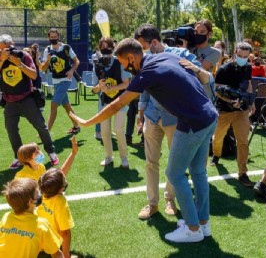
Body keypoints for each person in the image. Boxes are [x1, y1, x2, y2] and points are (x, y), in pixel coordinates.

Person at [69, 38, 218, 243]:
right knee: (198, 172)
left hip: (192, 122)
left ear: (131, 57)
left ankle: (193, 229)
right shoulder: (165, 56)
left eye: (122, 63)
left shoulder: (146, 73)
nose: (123, 67)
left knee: (174, 174)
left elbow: (117, 104)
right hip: (209, 114)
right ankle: (203, 224)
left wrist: (87, 122)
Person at [134, 23, 210, 220]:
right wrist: (140, 115)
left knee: (175, 164)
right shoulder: (143, 60)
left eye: (142, 46)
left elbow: (205, 77)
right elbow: (144, 88)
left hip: (175, 118)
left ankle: (170, 199)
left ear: (154, 42)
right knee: (151, 162)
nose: (139, 52)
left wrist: (195, 68)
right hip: (152, 116)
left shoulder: (179, 54)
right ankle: (152, 203)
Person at [0, 34, 59, 169]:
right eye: (1, 49)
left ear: (13, 44)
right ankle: (18, 157)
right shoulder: (0, 57)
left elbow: (34, 75)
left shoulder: (24, 56)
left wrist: (19, 64)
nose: (5, 51)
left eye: (7, 48)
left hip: (27, 98)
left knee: (41, 126)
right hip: (10, 101)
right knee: (11, 130)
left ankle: (52, 153)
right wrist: (2, 60)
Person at [211, 42, 256, 188]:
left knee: (242, 141)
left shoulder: (248, 67)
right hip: (224, 109)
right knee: (218, 137)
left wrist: (251, 102)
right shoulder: (223, 69)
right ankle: (216, 155)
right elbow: (217, 90)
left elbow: (248, 84)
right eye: (240, 55)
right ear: (235, 52)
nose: (242, 58)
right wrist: (230, 100)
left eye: (245, 56)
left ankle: (242, 173)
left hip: (241, 110)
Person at [92, 37, 131, 168]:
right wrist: (99, 85)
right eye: (102, 46)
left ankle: (124, 157)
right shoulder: (97, 65)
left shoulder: (119, 62)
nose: (105, 48)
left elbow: (126, 84)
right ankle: (108, 156)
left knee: (118, 130)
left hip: (120, 101)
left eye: (107, 46)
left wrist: (110, 88)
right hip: (105, 103)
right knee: (104, 131)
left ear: (113, 47)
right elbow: (94, 88)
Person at [0, 178, 63, 258]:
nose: (40, 194)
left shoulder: (6, 217)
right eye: (37, 193)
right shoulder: (41, 225)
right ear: (30, 202)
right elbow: (57, 254)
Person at [40, 28, 80, 134]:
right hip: (55, 80)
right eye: (51, 37)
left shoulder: (66, 47)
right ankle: (77, 126)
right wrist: (48, 59)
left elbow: (76, 61)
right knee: (66, 105)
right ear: (48, 37)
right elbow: (43, 69)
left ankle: (46, 131)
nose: (53, 38)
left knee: (54, 104)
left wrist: (71, 70)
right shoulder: (47, 50)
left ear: (58, 36)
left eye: (55, 36)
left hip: (66, 79)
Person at [37, 167, 74, 258]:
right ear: (61, 190)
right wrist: (66, 256)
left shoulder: (40, 192)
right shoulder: (60, 201)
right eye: (64, 179)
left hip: (37, 242)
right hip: (51, 244)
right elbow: (65, 232)